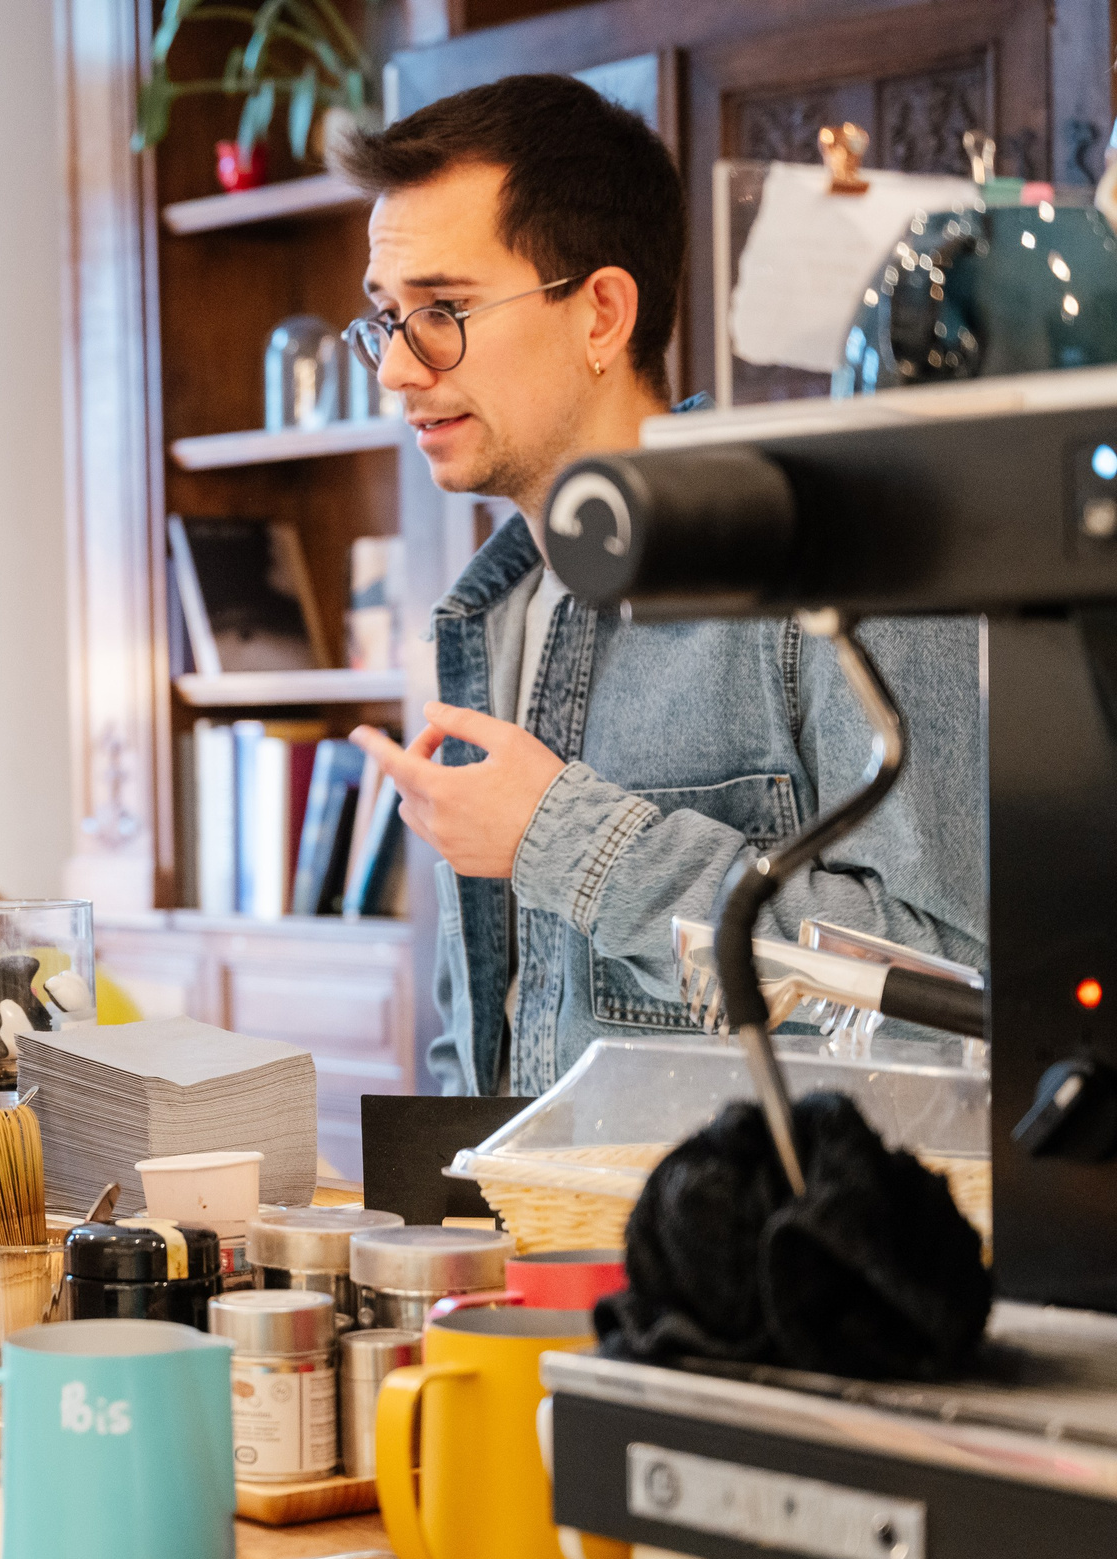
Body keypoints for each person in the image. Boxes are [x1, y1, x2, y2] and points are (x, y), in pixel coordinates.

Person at [336, 75, 984, 1097]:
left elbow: (951, 1004)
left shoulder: (839, 572)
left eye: (443, 311)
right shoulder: (486, 616)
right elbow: (490, 1040)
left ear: (601, 312)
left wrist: (562, 837)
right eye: (386, 318)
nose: (395, 371)